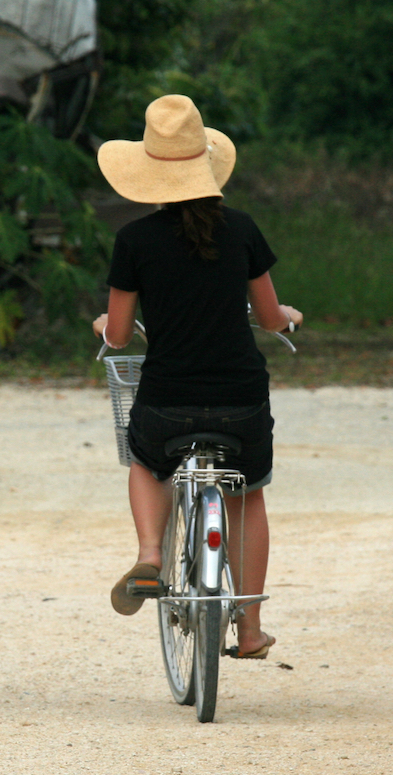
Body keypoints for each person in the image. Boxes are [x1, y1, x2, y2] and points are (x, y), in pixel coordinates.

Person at [92, 94, 303, 659]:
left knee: (144, 460)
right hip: (240, 399)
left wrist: (104, 327)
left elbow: (117, 334)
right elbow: (269, 315)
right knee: (247, 496)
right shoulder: (242, 229)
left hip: (167, 401)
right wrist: (289, 319)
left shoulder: (134, 240)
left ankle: (151, 556)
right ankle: (251, 628)